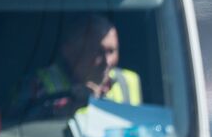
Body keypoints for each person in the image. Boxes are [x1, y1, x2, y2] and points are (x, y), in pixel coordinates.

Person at [12, 14, 141, 120]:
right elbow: (19, 129)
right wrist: (70, 107)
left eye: (111, 51)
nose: (107, 61)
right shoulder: (37, 84)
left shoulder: (128, 81)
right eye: (98, 51)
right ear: (69, 51)